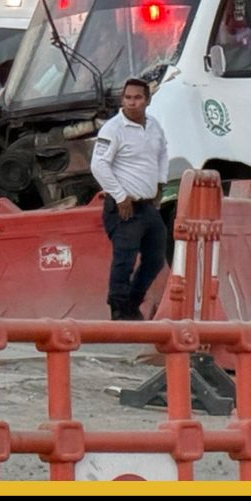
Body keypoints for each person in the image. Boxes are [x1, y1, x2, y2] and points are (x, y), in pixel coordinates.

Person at [89, 77, 169, 320]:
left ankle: (133, 302)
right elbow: (98, 165)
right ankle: (119, 309)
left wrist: (160, 184)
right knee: (124, 260)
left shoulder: (153, 125)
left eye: (137, 98)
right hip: (124, 207)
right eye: (128, 98)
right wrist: (120, 196)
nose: (132, 103)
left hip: (147, 205)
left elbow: (163, 153)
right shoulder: (113, 129)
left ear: (147, 100)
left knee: (155, 257)